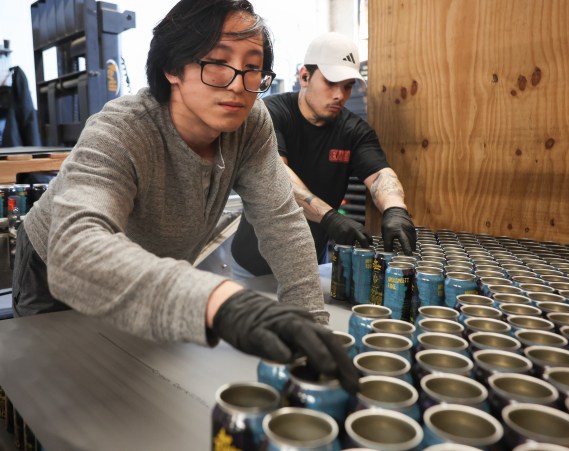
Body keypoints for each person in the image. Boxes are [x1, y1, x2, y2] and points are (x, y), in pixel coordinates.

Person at [11, 0, 357, 393]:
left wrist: (309, 330)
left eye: (252, 67)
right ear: (172, 68)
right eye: (218, 62)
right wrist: (220, 301)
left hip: (150, 266)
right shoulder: (122, 129)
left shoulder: (250, 124)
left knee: (127, 381)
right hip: (53, 267)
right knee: (55, 389)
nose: (237, 84)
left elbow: (282, 223)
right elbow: (75, 253)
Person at [231, 32, 416, 277]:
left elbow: (379, 174)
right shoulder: (270, 114)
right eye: (331, 83)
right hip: (255, 265)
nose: (340, 95)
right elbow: (275, 174)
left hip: (309, 263)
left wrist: (395, 210)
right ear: (305, 76)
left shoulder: (354, 131)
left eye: (347, 86)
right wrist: (329, 217)